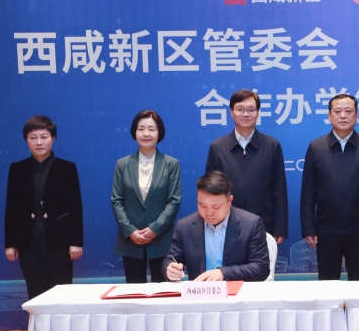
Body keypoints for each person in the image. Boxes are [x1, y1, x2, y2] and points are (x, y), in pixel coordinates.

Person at [300, 93, 359, 281]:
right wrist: (308, 228)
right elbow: (307, 192)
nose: (343, 116)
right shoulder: (316, 147)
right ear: (329, 116)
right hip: (326, 230)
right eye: (337, 111)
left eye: (348, 111)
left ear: (356, 115)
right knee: (328, 284)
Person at [4, 115, 83, 300]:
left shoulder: (67, 168)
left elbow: (76, 207)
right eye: (33, 138)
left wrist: (76, 241)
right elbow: (11, 207)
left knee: (61, 293)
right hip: (28, 241)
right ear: (26, 140)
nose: (39, 142)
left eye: (44, 137)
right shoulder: (17, 169)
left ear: (53, 138)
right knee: (35, 292)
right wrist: (10, 243)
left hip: (59, 240)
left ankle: (61, 322)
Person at [205, 89, 288, 243]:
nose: (245, 114)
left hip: (263, 224)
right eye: (240, 109)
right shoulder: (218, 147)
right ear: (231, 112)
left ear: (257, 113)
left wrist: (280, 227)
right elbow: (209, 191)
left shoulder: (272, 145)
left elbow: (279, 190)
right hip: (226, 225)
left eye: (251, 110)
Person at [111, 110, 181, 283]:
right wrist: (130, 231)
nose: (146, 133)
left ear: (159, 132)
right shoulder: (123, 164)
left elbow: (174, 201)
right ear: (134, 132)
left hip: (161, 239)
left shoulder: (171, 164)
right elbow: (117, 200)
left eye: (151, 129)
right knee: (135, 292)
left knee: (163, 291)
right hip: (131, 241)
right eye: (141, 129)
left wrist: (154, 229)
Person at [162, 171, 269, 282]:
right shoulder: (185, 227)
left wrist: (223, 273)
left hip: (237, 290)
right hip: (200, 291)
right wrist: (170, 270)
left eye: (216, 207)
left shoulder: (251, 224)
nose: (209, 212)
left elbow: (261, 268)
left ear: (230, 200)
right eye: (203, 206)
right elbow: (170, 260)